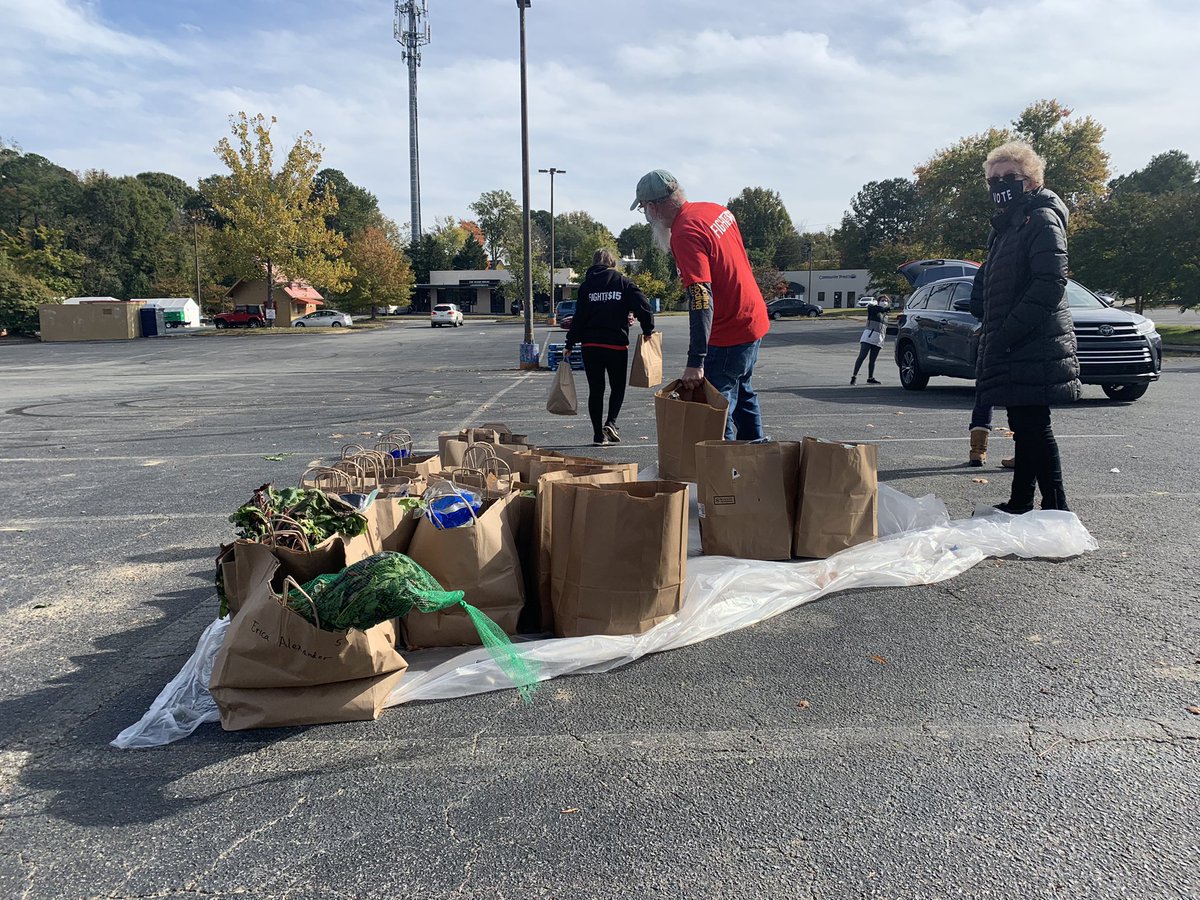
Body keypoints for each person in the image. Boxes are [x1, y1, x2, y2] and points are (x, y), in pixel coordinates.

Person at [970, 140, 1080, 513]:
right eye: (993, 179)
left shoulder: (1042, 218)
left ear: (1031, 180)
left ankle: (1056, 508)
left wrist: (1008, 332)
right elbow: (1000, 277)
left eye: (1009, 176)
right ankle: (1022, 502)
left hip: (1033, 340)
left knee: (1033, 424)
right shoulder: (1010, 224)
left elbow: (1050, 284)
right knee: (1024, 423)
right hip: (1015, 340)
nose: (1000, 184)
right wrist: (980, 295)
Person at [632, 169, 770, 440]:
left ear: (653, 207)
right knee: (743, 394)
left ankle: (725, 474)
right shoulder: (716, 211)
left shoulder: (684, 233)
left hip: (728, 331)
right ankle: (760, 464)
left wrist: (696, 361)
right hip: (753, 319)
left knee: (716, 412)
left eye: (644, 211)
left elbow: (700, 297)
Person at [564, 248, 655, 446]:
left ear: (594, 263)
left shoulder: (586, 286)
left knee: (596, 390)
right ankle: (611, 422)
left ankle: (598, 435)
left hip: (591, 345)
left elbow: (579, 318)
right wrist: (648, 329)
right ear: (612, 263)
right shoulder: (623, 282)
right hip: (616, 344)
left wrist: (570, 343)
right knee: (618, 387)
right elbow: (644, 305)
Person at [850, 296, 889, 385]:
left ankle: (870, 377)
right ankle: (854, 376)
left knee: (873, 360)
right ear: (878, 302)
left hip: (878, 339)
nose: (884, 302)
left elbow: (885, 328)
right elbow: (871, 308)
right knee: (862, 356)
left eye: (886, 301)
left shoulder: (886, 316)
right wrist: (883, 308)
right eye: (882, 300)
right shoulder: (874, 310)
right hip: (868, 337)